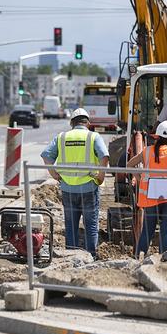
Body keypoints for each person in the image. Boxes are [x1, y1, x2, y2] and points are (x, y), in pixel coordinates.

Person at [41, 108, 109, 258]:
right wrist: (101, 177)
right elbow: (104, 156)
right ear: (88, 123)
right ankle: (91, 256)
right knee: (91, 225)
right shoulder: (93, 136)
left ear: (72, 123)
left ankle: (71, 257)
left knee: (71, 226)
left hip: (68, 189)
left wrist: (55, 175)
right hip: (89, 188)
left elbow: (46, 155)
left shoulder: (62, 137)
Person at [130, 120, 167, 256]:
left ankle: (139, 257)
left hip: (151, 196)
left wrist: (139, 178)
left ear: (157, 137)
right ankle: (164, 259)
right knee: (166, 230)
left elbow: (130, 164)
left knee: (147, 230)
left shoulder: (147, 151)